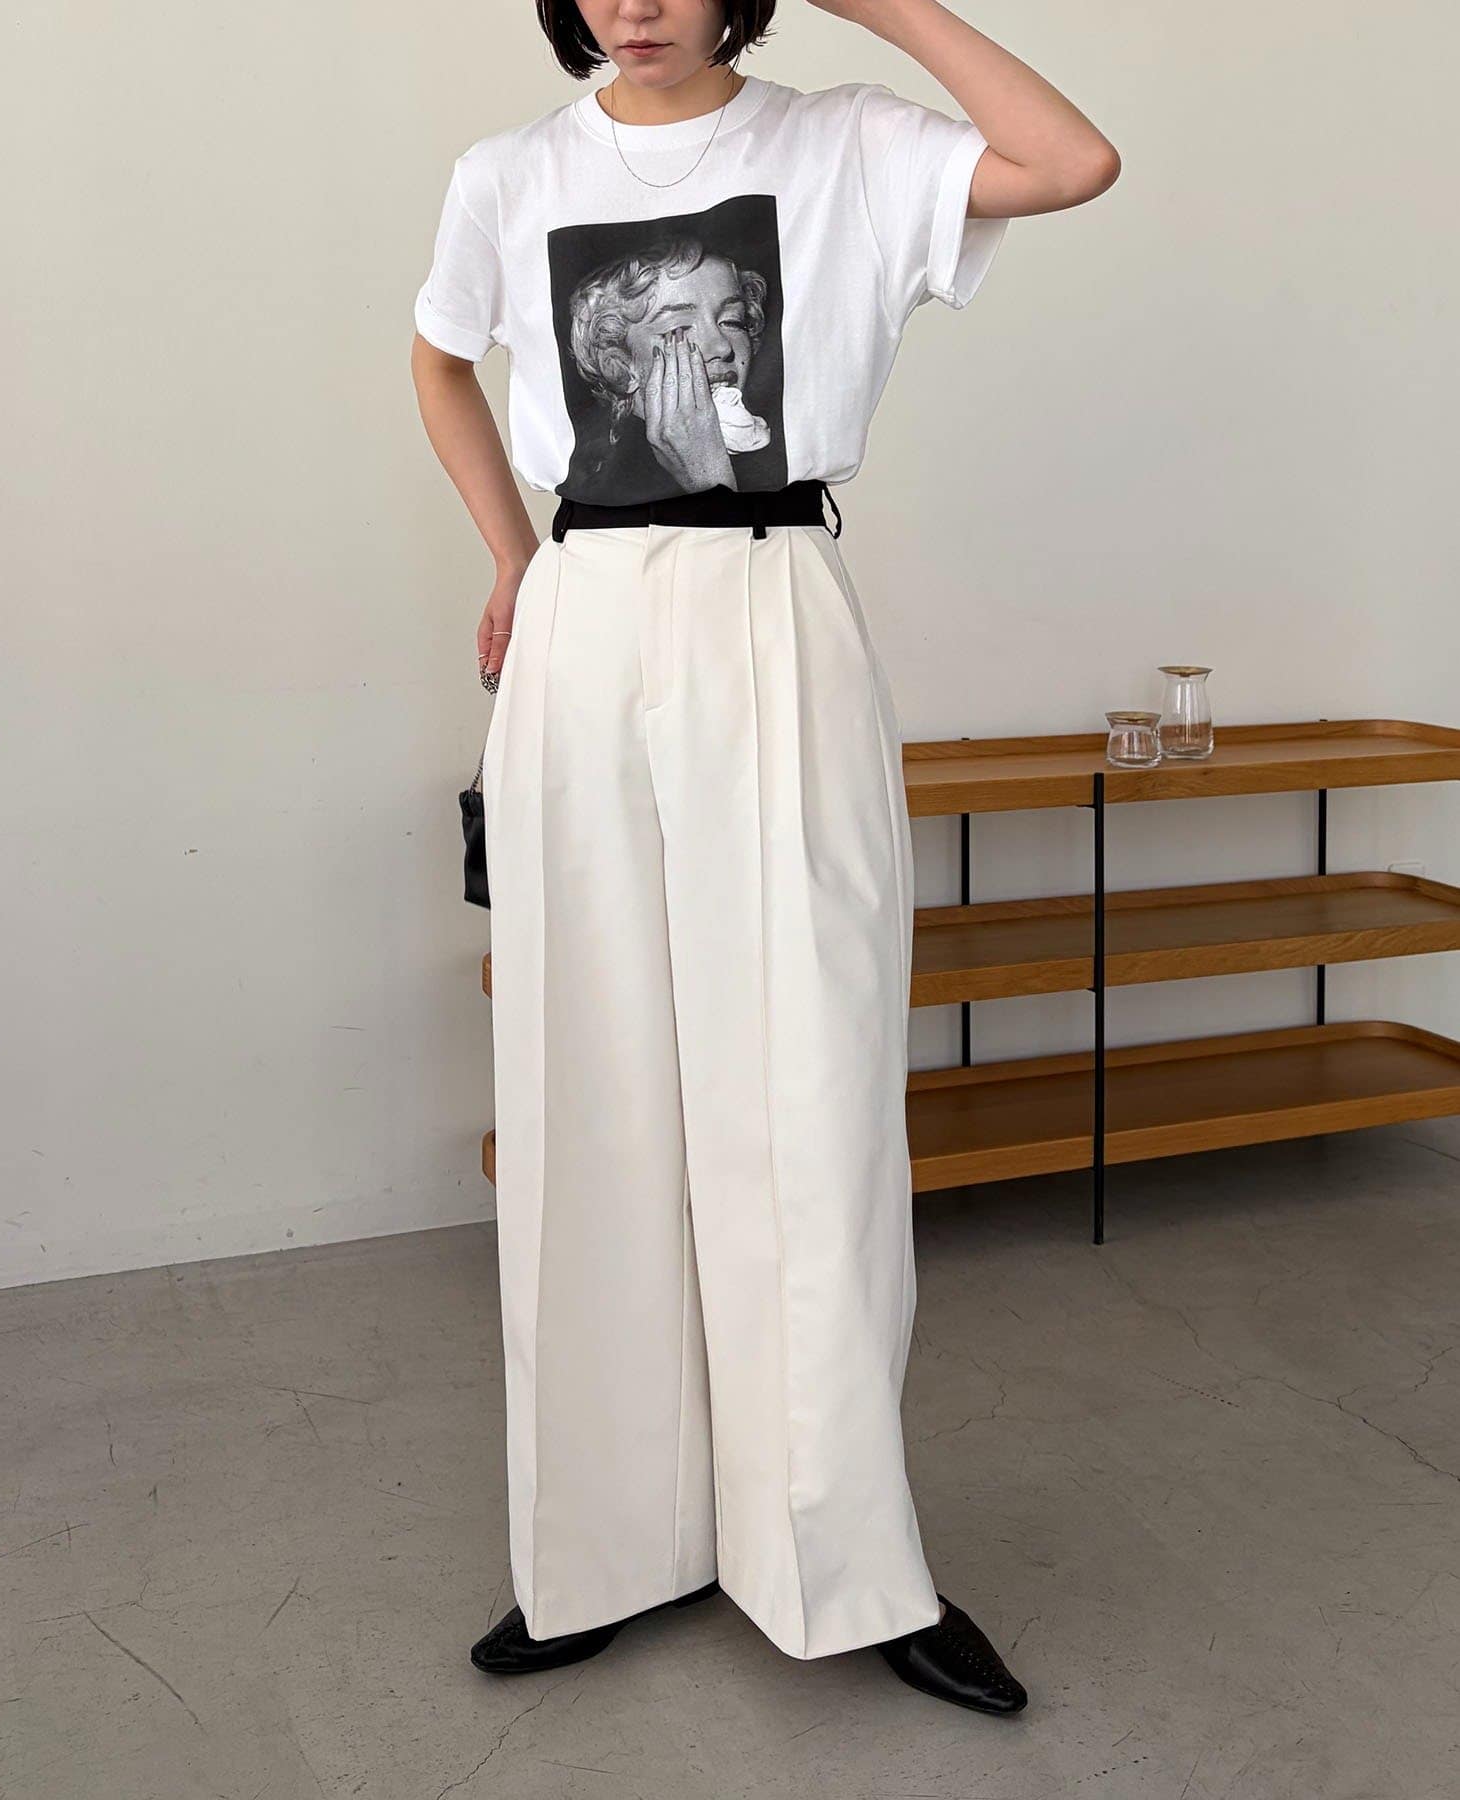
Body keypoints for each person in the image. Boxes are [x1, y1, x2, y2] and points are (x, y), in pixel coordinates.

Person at [410, 0, 1119, 1716]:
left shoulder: (844, 139)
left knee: (808, 1078)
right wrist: (511, 558)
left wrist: (885, 2)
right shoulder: (509, 172)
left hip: (774, 594)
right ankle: (594, 1550)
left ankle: (847, 1564)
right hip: (584, 613)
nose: (633, 4)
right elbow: (438, 357)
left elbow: (1072, 162)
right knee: (588, 1074)